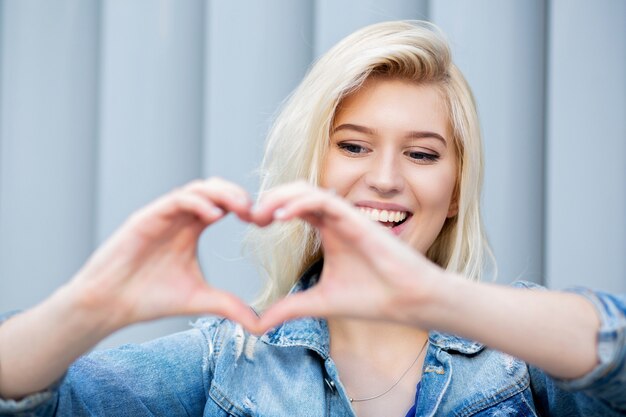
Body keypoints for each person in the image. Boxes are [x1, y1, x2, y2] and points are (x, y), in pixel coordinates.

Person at [0, 20, 624, 417]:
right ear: (312, 172)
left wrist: (438, 298)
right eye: (353, 146)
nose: (385, 177)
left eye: (422, 153)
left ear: (456, 191)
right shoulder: (224, 364)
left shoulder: (518, 361)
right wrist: (91, 307)